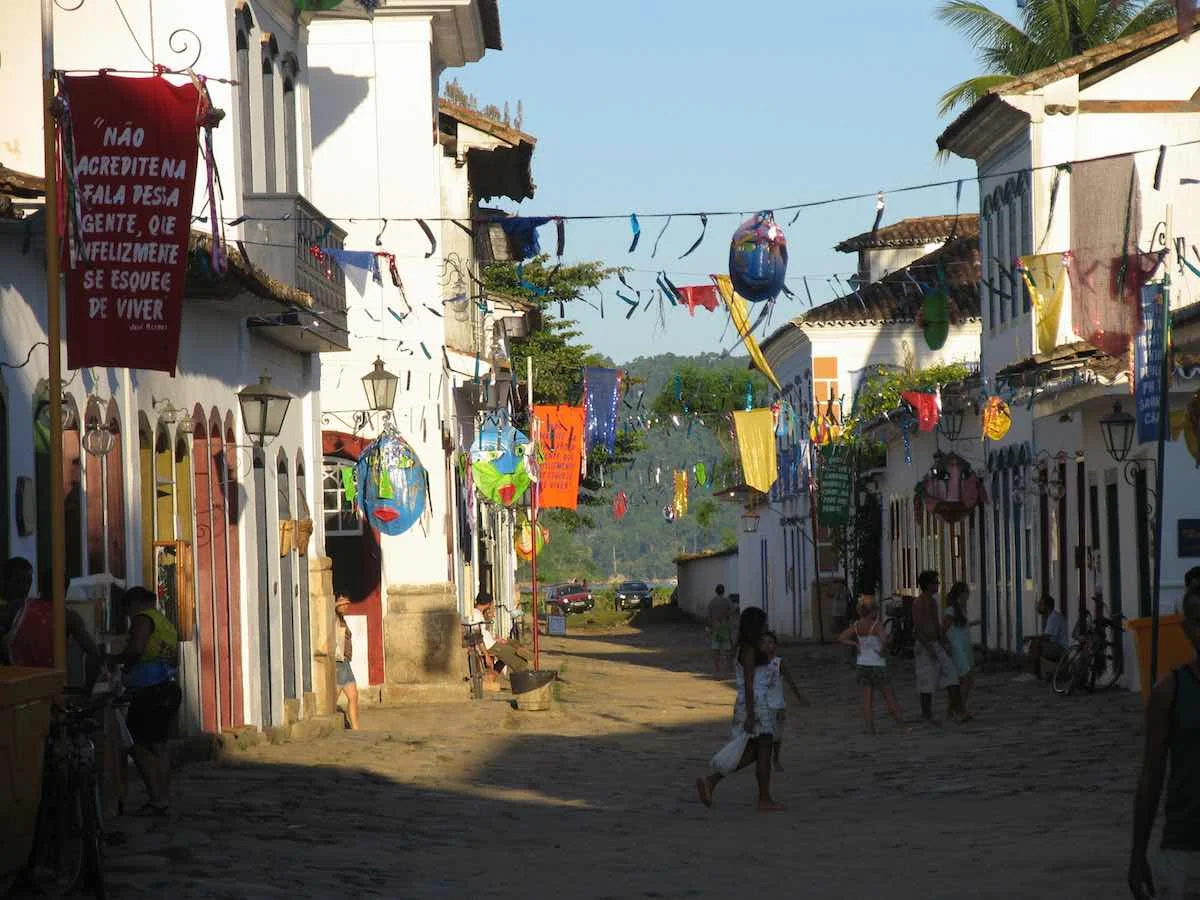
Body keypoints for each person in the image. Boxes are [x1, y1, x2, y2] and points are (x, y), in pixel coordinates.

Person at [1129, 589, 1200, 900]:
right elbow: (1151, 777)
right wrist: (1137, 852)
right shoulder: (1169, 692)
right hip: (1185, 845)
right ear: (1186, 630)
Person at [694, 606, 783, 812]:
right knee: (762, 752)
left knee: (756, 751)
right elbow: (751, 684)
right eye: (763, 624)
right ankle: (762, 798)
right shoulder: (750, 651)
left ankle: (714, 782)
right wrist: (752, 715)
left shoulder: (743, 648)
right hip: (757, 704)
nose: (766, 627)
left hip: (747, 702)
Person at [107, 586, 181, 816]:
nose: (128, 617)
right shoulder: (165, 623)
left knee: (135, 744)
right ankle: (162, 797)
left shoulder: (142, 619)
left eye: (127, 610)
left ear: (134, 604)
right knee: (159, 745)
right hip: (167, 688)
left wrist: (117, 660)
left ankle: (157, 798)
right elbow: (174, 659)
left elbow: (136, 648)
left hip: (148, 692)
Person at [0, 560, 103, 684]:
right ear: (65, 590)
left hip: (16, 684)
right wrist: (87, 692)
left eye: (28, 582)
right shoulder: (69, 617)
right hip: (49, 687)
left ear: (40, 587)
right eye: (19, 582)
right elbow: (94, 655)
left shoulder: (16, 608)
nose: (24, 588)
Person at [839, 595, 904, 734]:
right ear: (873, 611)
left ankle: (870, 728)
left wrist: (856, 644)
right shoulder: (876, 625)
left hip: (862, 664)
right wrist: (884, 649)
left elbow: (842, 637)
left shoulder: (856, 625)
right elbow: (884, 642)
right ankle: (901, 725)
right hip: (877, 664)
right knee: (889, 696)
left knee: (867, 700)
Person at [912, 570, 968, 724]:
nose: (938, 585)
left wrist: (944, 642)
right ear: (928, 585)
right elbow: (917, 628)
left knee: (951, 674)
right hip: (925, 646)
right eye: (935, 582)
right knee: (926, 681)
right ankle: (927, 715)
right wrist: (927, 645)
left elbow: (936, 625)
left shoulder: (934, 602)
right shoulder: (918, 603)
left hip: (936, 643)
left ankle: (958, 710)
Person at [761, 630, 808, 771]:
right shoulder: (757, 664)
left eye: (770, 642)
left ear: (775, 645)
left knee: (777, 735)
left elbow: (790, 681)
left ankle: (775, 759)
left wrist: (799, 697)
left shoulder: (778, 663)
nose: (767, 646)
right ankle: (766, 759)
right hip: (762, 705)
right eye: (764, 643)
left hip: (778, 705)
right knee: (765, 735)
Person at [465, 593, 530, 683]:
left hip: (491, 643)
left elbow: (482, 634)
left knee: (512, 646)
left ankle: (491, 678)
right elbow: (479, 637)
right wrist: (486, 655)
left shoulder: (476, 613)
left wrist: (496, 639)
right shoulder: (476, 616)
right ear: (488, 604)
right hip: (490, 646)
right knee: (518, 657)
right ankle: (523, 680)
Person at [943, 582, 981, 715]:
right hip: (956, 647)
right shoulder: (951, 610)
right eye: (967, 592)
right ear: (961, 594)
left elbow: (960, 627)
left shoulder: (961, 609)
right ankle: (960, 708)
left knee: (960, 679)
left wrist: (974, 623)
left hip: (964, 646)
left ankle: (952, 709)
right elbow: (943, 630)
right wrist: (946, 645)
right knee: (966, 678)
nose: (969, 595)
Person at [1024, 594, 1069, 679]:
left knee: (1036, 645)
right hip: (1056, 646)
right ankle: (1035, 672)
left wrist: (1030, 638)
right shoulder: (1051, 617)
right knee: (1035, 644)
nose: (1039, 607)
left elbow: (1047, 637)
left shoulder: (1054, 617)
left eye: (1041, 604)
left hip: (1062, 649)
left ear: (1047, 606)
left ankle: (1033, 674)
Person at [334, 596, 360, 730]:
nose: (345, 607)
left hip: (346, 663)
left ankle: (356, 729)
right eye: (342, 604)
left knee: (353, 696)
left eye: (347, 604)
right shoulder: (334, 619)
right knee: (332, 699)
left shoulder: (342, 619)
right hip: (338, 662)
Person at [707, 584, 733, 674]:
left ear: (716, 591)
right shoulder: (727, 601)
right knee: (728, 649)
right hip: (725, 627)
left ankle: (717, 668)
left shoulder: (712, 602)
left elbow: (709, 617)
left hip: (715, 627)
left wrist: (709, 627)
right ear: (724, 591)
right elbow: (732, 611)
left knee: (716, 649)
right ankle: (729, 667)